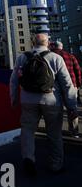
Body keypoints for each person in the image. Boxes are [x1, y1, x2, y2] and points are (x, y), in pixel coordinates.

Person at [10, 34, 77, 176]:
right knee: (54, 133)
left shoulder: (22, 57)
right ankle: (55, 164)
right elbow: (67, 84)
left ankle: (28, 158)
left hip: (28, 99)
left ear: (33, 43)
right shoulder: (55, 58)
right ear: (48, 43)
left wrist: (14, 98)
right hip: (51, 100)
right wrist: (72, 106)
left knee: (27, 130)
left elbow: (14, 81)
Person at [51, 41, 81, 138]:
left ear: (53, 46)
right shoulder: (70, 56)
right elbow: (78, 71)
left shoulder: (50, 56)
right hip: (71, 86)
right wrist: (78, 85)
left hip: (55, 87)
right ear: (62, 47)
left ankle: (56, 131)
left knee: (57, 109)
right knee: (72, 109)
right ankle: (74, 131)